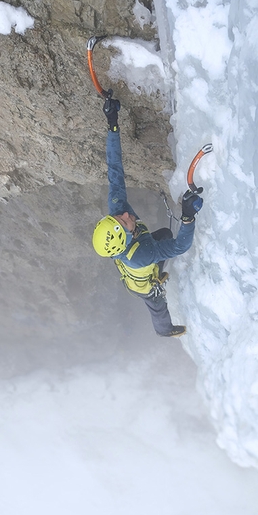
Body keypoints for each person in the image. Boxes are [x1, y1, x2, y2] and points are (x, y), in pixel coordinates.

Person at [92, 96, 203, 338]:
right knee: (157, 304)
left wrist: (112, 125)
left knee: (163, 234)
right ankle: (164, 330)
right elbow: (181, 246)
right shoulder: (142, 254)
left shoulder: (118, 212)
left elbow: (115, 170)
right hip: (141, 283)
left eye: (117, 218)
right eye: (123, 220)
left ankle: (158, 273)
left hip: (140, 261)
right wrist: (187, 216)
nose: (124, 213)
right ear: (127, 235)